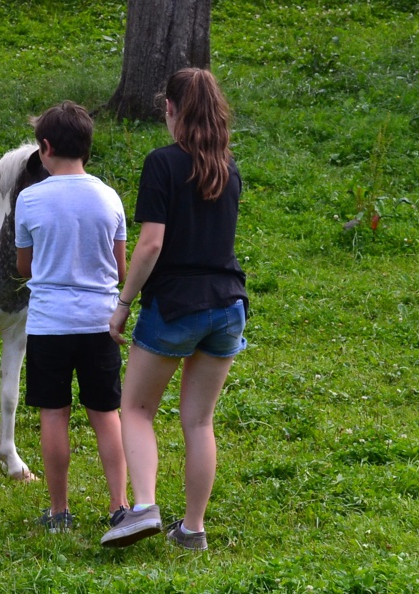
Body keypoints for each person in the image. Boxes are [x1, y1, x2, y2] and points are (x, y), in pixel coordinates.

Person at [100, 68, 247, 551]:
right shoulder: (229, 168)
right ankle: (192, 530)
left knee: (137, 408)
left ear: (170, 110)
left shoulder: (161, 164)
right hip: (228, 306)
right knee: (199, 421)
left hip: (177, 307)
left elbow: (151, 246)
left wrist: (123, 305)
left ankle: (142, 508)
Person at [14, 101, 130, 532]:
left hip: (49, 325)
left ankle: (59, 510)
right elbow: (120, 268)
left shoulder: (30, 199)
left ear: (45, 147)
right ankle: (120, 505)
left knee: (54, 413)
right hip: (101, 321)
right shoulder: (108, 196)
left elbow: (25, 267)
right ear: (87, 147)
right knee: (106, 414)